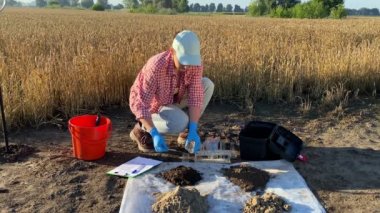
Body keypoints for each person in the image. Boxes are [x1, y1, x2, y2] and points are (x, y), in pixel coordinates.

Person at [129, 30, 214, 154]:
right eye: (183, 61)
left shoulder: (195, 64)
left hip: (174, 98)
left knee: (207, 85)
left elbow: (196, 96)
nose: (187, 66)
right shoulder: (156, 66)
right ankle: (141, 129)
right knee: (180, 122)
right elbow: (141, 104)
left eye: (190, 61)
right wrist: (154, 132)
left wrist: (193, 128)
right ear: (172, 51)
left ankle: (187, 132)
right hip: (153, 105)